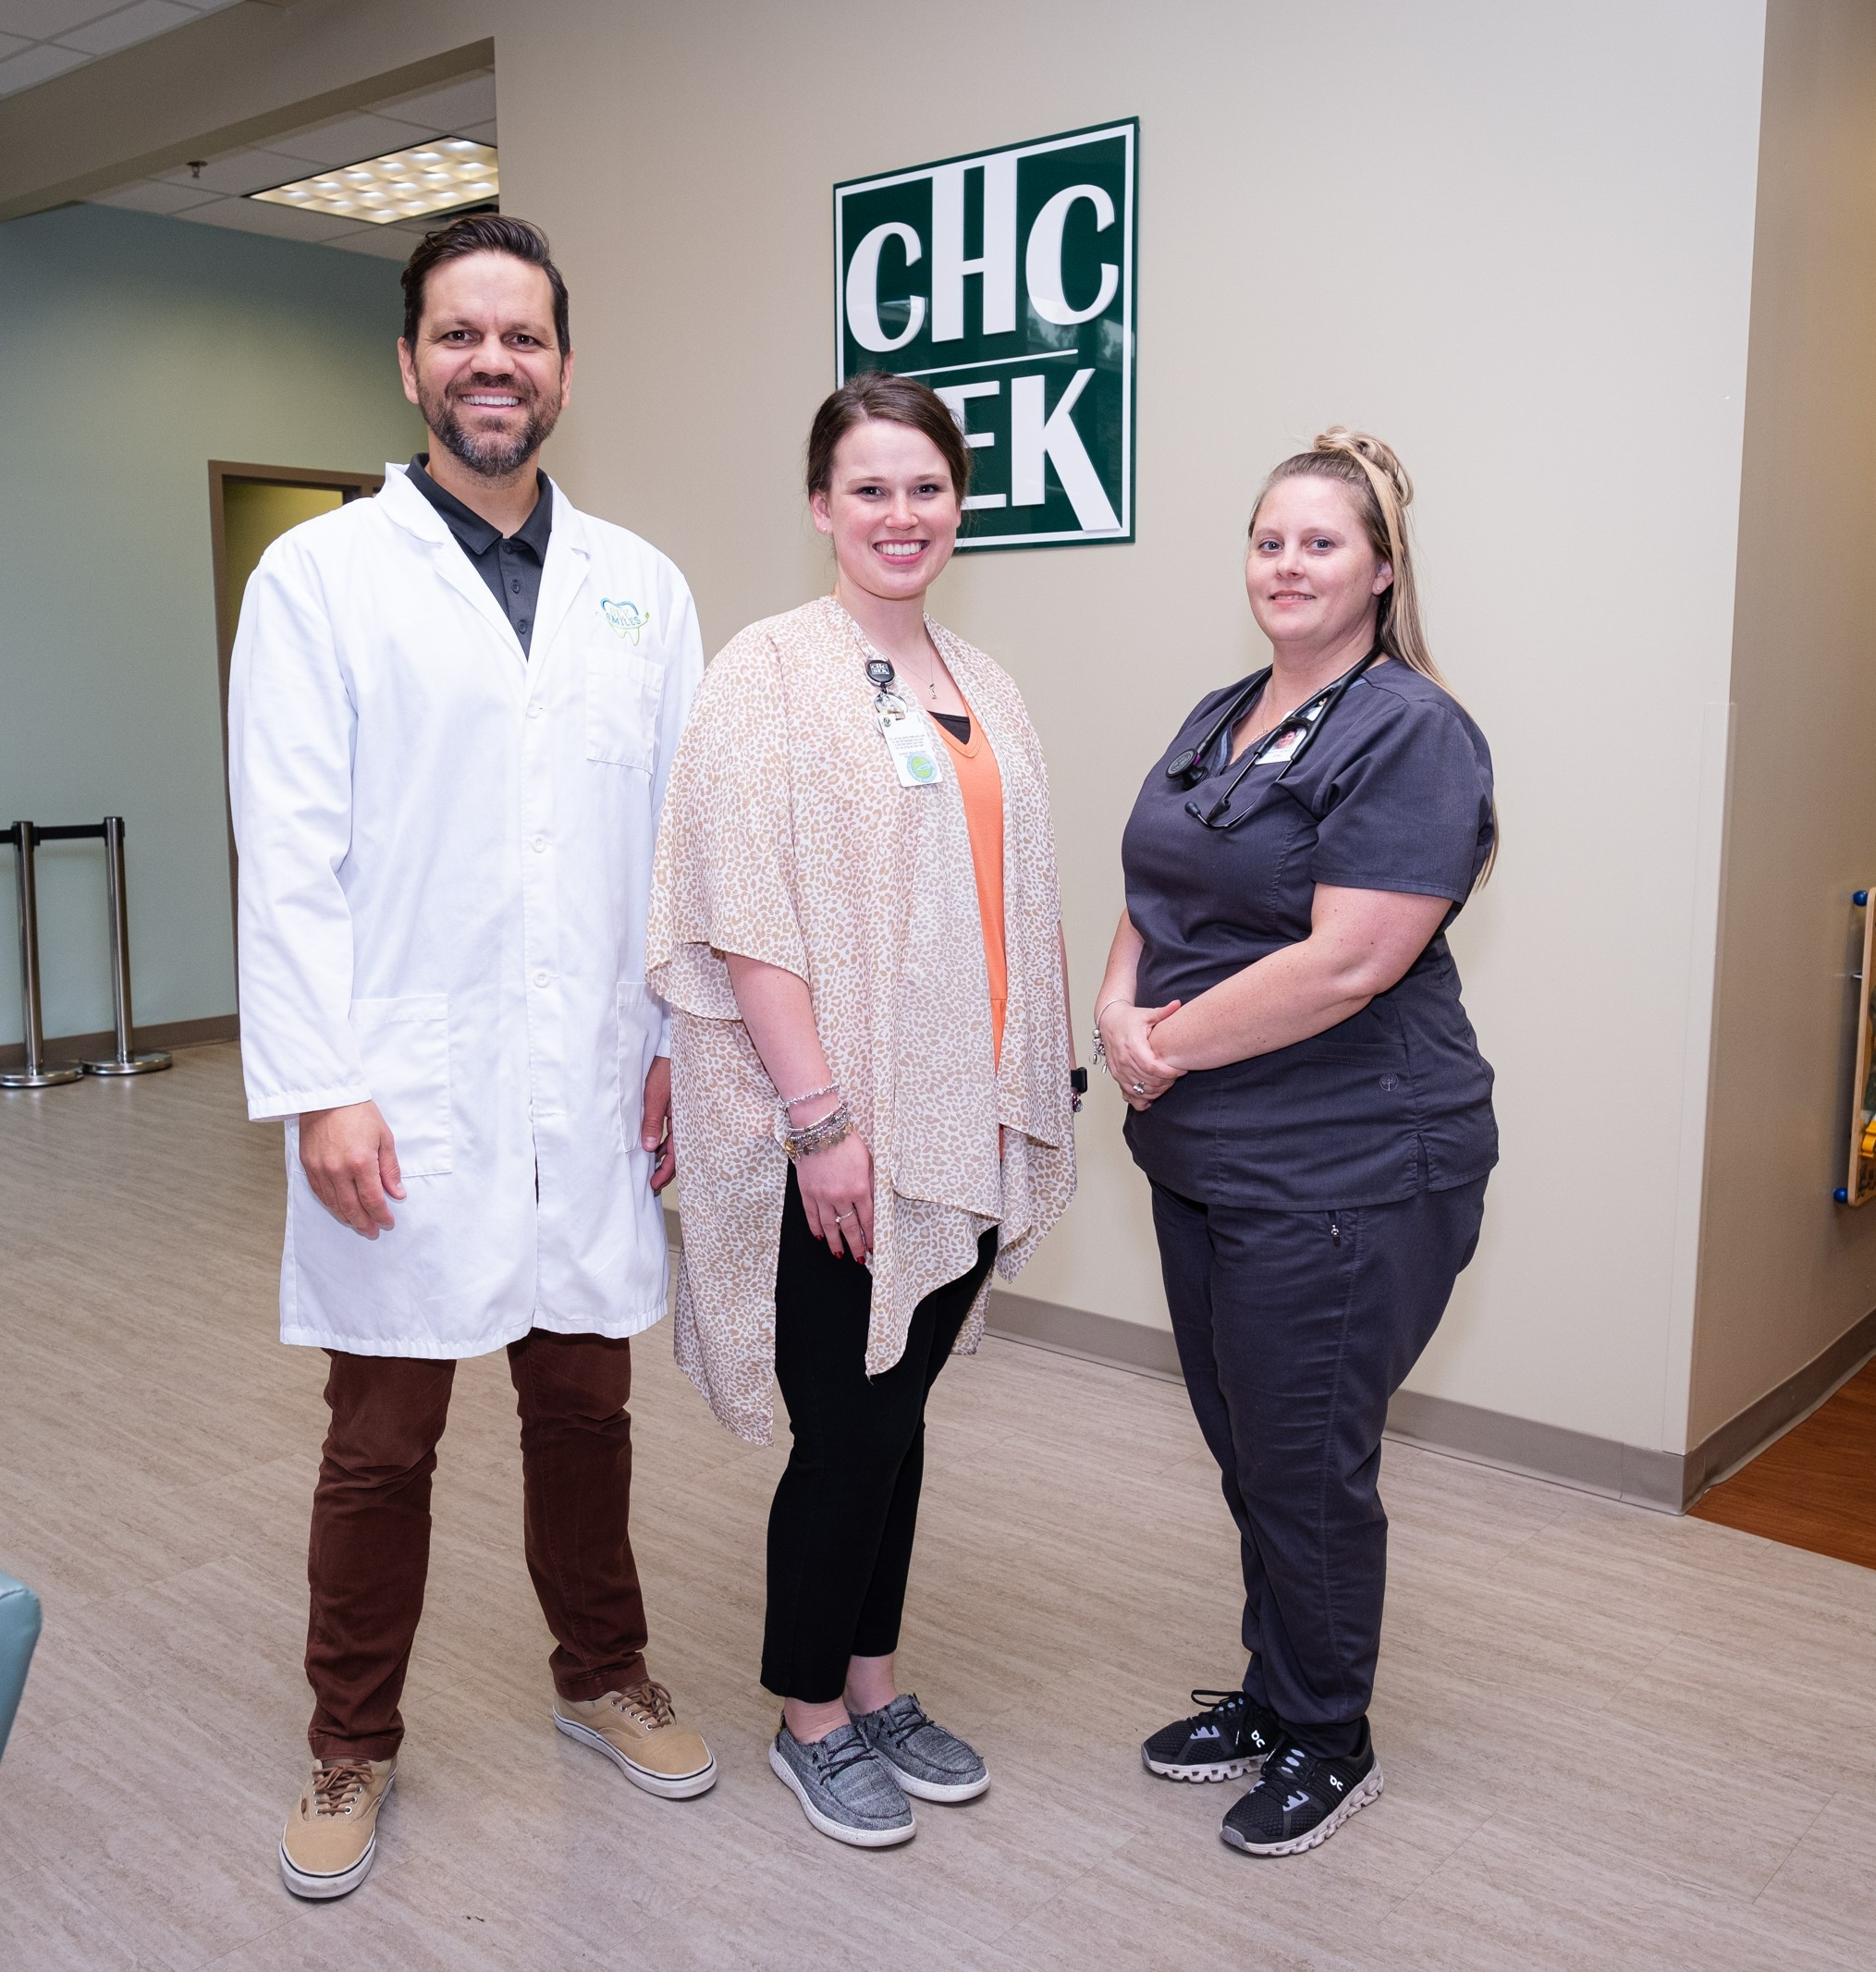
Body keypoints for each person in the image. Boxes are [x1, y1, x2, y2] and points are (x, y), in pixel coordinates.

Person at [229, 214, 715, 1903]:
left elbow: (675, 853)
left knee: (587, 1408)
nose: (490, 363)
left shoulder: (642, 589)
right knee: (383, 1432)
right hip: (403, 1083)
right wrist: (321, 1084)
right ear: (410, 361)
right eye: (458, 335)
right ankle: (349, 1738)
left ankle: (602, 1676)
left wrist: (672, 1041)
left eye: (520, 337)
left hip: (587, 1078)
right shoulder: (319, 578)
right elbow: (285, 852)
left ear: (564, 367)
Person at [646, 371, 1077, 1847]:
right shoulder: (764, 671)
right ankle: (808, 1714)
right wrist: (821, 1123)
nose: (903, 514)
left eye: (927, 487)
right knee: (846, 1428)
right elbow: (744, 915)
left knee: (897, 1414)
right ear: (821, 506)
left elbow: (1010, 899)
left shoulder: (982, 678)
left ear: (959, 504)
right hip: (836, 1132)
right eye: (871, 487)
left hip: (959, 1121)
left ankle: (875, 1682)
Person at [1097, 428, 1496, 1858]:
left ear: (1379, 570)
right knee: (1250, 1448)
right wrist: (1114, 1000)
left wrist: (1161, 1040)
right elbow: (1154, 872)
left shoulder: (1411, 729)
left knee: (1304, 1457)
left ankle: (1328, 1732)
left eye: (1319, 542)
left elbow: (1346, 963)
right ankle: (1274, 1695)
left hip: (1350, 1164)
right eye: (1268, 539)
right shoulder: (1225, 710)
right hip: (1207, 1159)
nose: (1286, 563)